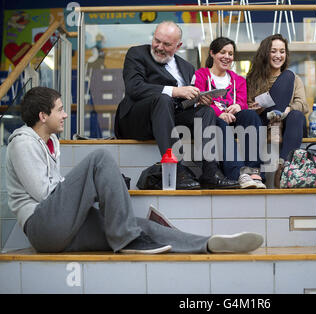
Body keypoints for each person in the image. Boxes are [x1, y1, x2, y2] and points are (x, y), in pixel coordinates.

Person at [5, 86, 264, 255]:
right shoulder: (23, 141)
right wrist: (90, 190)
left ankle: (208, 243)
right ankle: (126, 237)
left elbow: (56, 189)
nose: (64, 115)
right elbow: (43, 194)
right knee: (99, 157)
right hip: (42, 227)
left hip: (62, 228)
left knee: (138, 226)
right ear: (42, 115)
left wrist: (99, 190)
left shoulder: (52, 142)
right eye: (59, 110)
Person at [114, 21, 239, 189]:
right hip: (136, 120)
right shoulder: (137, 54)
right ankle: (176, 168)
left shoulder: (187, 67)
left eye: (166, 44)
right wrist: (176, 91)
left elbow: (182, 104)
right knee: (163, 99)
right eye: (157, 40)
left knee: (206, 112)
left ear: (178, 45)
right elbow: (134, 88)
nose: (159, 47)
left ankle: (210, 171)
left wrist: (197, 100)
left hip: (169, 120)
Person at [194, 37, 265, 189]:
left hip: (233, 118)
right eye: (222, 52)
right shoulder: (201, 75)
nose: (227, 57)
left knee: (251, 116)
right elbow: (198, 101)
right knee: (218, 122)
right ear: (212, 53)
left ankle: (253, 171)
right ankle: (237, 174)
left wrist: (238, 106)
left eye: (231, 54)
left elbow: (243, 101)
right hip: (212, 120)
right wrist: (219, 113)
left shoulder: (238, 79)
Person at [246, 34, 309, 188]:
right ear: (265, 53)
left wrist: (288, 109)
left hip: (287, 125)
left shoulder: (293, 78)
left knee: (297, 115)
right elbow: (246, 107)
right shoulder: (252, 79)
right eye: (273, 51)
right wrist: (258, 108)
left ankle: (283, 167)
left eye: (282, 51)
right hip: (264, 123)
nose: (278, 55)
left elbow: (303, 105)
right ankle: (274, 126)